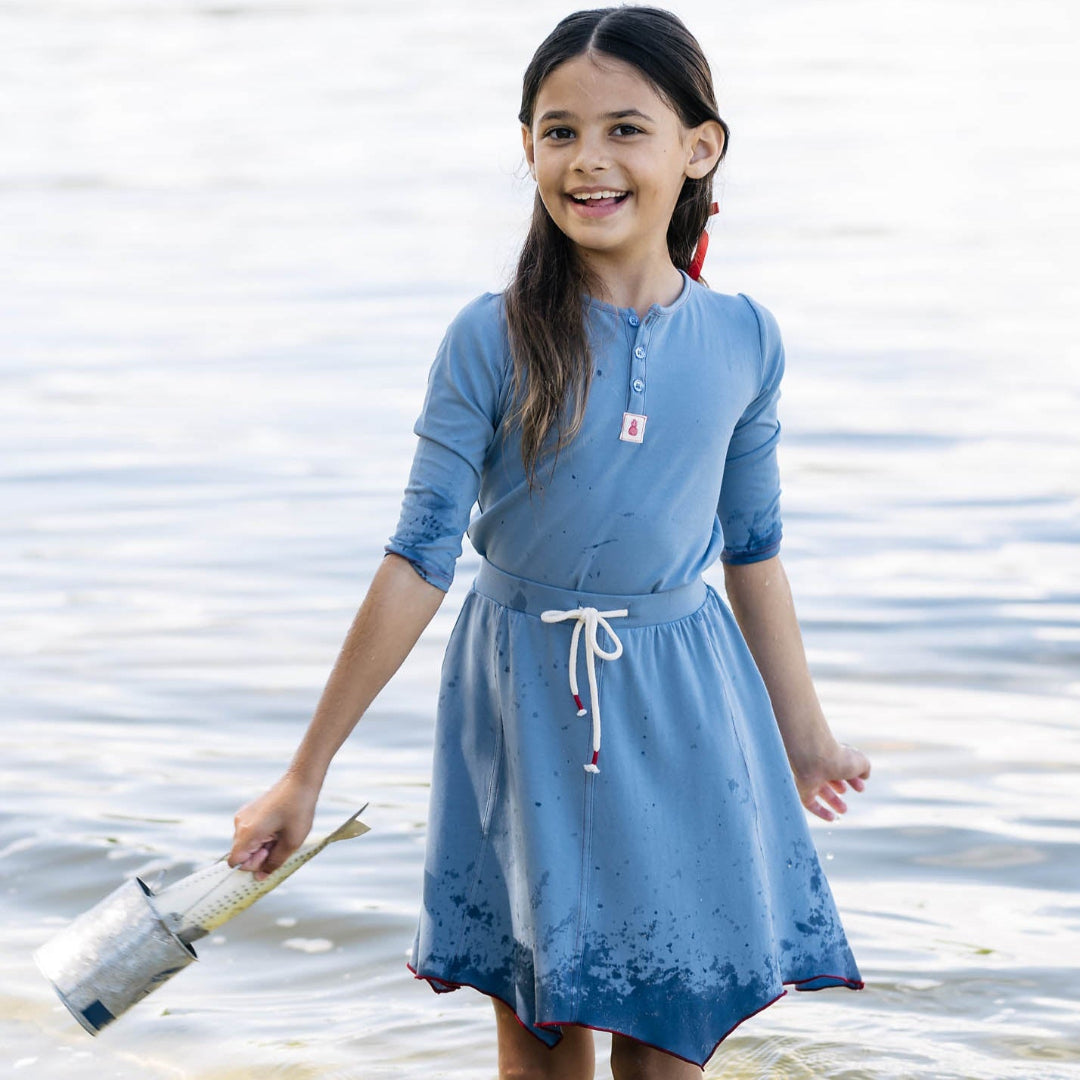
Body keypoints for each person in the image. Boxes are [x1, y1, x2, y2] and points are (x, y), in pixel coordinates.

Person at [228, 6, 871, 1077]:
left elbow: (752, 550)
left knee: (669, 1030)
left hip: (686, 700)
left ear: (697, 148)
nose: (589, 160)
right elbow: (419, 557)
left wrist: (803, 733)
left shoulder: (744, 337)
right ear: (527, 146)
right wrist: (305, 772)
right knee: (545, 1024)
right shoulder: (490, 336)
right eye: (559, 130)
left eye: (626, 128)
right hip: (524, 691)